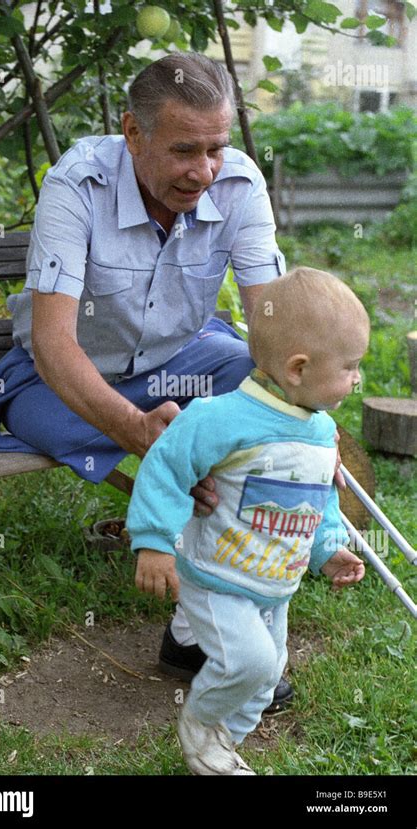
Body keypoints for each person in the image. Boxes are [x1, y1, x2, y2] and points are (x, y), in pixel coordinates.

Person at [0, 51, 339, 708]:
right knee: (100, 419)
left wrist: (302, 427)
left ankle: (194, 625)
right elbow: (55, 346)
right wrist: (137, 428)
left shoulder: (238, 183)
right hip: (55, 380)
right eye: (183, 151)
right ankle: (202, 599)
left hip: (184, 362)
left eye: (216, 148)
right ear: (133, 132)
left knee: (247, 392)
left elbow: (271, 324)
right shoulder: (75, 185)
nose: (203, 171)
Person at [126, 267, 368, 775]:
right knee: (249, 664)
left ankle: (217, 750)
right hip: (217, 577)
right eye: (350, 366)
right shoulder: (221, 418)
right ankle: (198, 725)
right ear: (298, 369)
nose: (357, 378)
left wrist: (327, 547)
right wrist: (154, 541)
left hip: (273, 586)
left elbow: (318, 496)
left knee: (266, 675)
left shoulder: (322, 431)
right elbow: (167, 466)